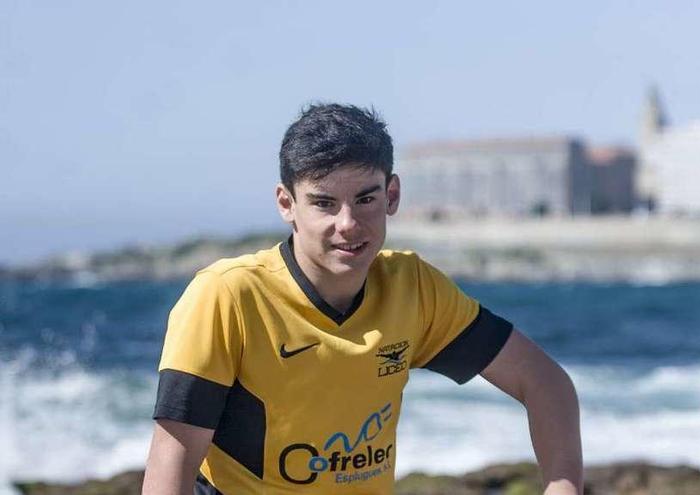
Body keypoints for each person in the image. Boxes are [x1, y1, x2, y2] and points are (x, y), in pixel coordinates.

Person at [143, 104, 583, 494]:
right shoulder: (227, 296)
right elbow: (169, 470)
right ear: (286, 203)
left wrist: (563, 486)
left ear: (391, 195)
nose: (348, 223)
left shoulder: (414, 289)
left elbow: (546, 384)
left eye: (365, 199)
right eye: (324, 203)